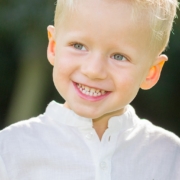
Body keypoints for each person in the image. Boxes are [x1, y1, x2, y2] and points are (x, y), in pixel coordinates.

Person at [0, 0, 180, 179]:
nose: (93, 70)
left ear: (151, 72)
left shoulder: (171, 158)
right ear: (54, 47)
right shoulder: (9, 150)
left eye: (119, 56)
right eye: (78, 46)